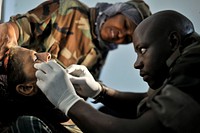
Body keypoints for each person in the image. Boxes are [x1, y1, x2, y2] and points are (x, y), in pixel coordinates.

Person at [34, 10, 200, 133]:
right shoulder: (183, 65)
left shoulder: (194, 62)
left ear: (173, 41)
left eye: (142, 50)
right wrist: (100, 92)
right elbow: (149, 101)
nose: (137, 64)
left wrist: (68, 101)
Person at [0, 0, 151, 80]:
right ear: (117, 11)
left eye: (128, 38)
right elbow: (20, 27)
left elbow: (77, 96)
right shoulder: (70, 9)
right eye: (124, 24)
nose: (121, 35)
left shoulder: (99, 57)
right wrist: (10, 31)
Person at [0, 46, 79, 133]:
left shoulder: (68, 116)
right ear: (26, 88)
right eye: (35, 58)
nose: (47, 54)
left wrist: (96, 94)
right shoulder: (29, 126)